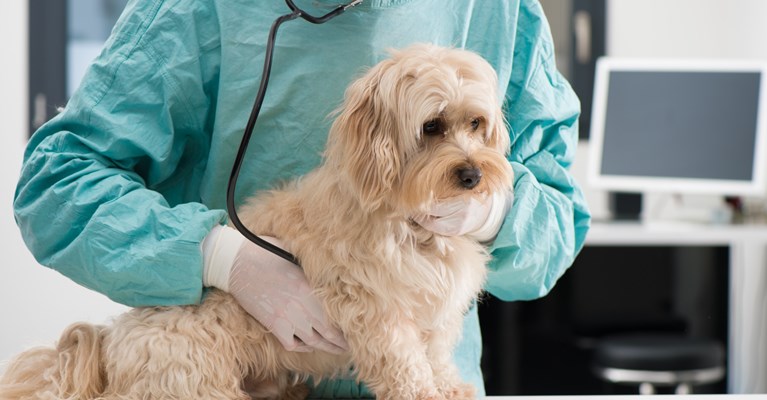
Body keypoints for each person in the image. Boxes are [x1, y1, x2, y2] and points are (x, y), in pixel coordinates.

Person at [13, 0, 591, 397]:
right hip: (227, 367)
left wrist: (491, 213)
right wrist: (220, 257)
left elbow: (558, 222)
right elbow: (57, 183)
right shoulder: (198, 11)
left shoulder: (497, 12)